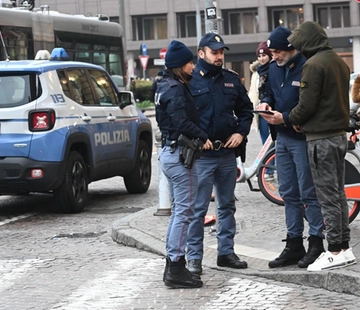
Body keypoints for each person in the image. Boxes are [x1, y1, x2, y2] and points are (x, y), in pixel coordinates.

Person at [288, 21, 357, 271]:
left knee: (327, 196)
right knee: (338, 193)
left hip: (321, 139)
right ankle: (345, 247)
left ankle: (335, 250)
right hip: (338, 136)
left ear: (306, 42)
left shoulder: (313, 65)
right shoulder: (338, 61)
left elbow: (306, 105)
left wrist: (289, 118)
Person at [257, 26, 324, 269]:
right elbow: (271, 94)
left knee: (309, 192)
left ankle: (316, 242)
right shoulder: (274, 69)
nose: (273, 55)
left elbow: (310, 105)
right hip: (282, 139)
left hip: (302, 138)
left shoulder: (308, 65)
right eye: (271, 52)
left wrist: (284, 117)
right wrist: (266, 104)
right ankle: (294, 243)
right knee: (288, 193)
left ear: (292, 48)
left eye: (277, 51)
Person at [186, 32, 253, 275]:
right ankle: (193, 257)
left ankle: (226, 252)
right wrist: (196, 137)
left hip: (226, 153)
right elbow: (180, 117)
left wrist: (242, 133)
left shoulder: (231, 80)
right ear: (201, 53)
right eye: (214, 52)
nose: (219, 56)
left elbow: (246, 110)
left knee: (227, 205)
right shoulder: (189, 80)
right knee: (198, 209)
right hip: (202, 156)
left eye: (222, 52)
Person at [155, 40, 212, 288]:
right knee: (185, 212)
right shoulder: (176, 89)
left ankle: (173, 263)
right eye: (190, 62)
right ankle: (176, 267)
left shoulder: (163, 85)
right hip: (180, 156)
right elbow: (180, 123)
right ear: (179, 65)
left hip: (169, 153)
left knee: (179, 212)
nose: (193, 66)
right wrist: (202, 136)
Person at [248, 41, 274, 179]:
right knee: (265, 140)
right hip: (260, 111)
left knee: (274, 141)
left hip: (272, 109)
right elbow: (253, 92)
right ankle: (268, 169)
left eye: (264, 55)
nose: (262, 58)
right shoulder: (256, 73)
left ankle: (271, 169)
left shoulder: (274, 69)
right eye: (259, 56)